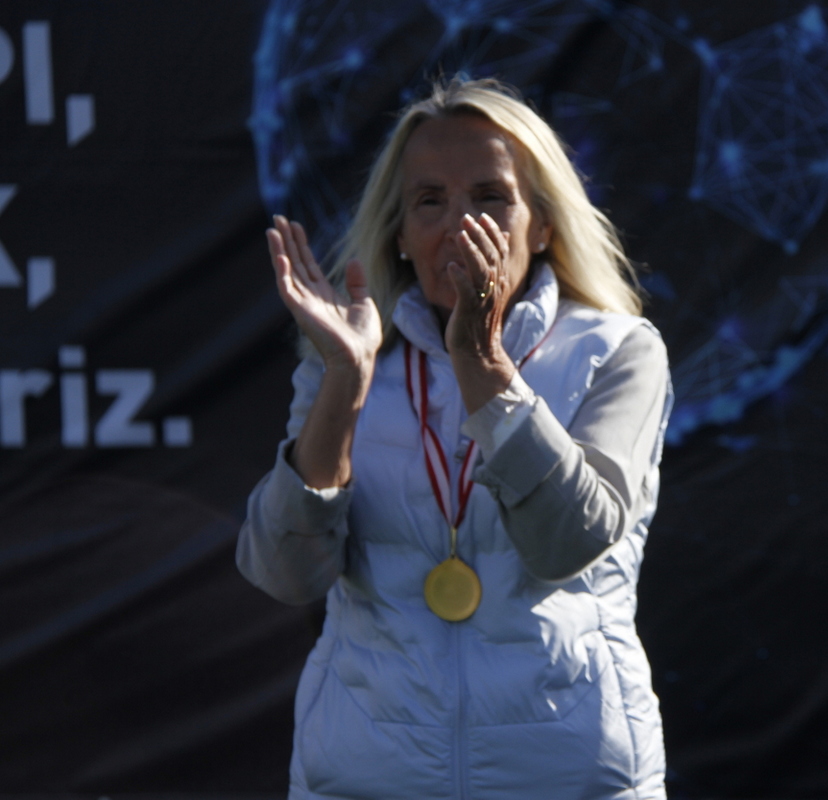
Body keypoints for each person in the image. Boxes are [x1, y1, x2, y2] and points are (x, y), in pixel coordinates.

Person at [237, 77, 672, 799]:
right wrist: (344, 381)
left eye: (491, 197)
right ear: (400, 237)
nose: (460, 223)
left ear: (543, 226)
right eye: (430, 201)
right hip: (368, 778)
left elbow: (568, 541)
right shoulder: (343, 362)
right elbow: (285, 575)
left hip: (566, 780)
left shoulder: (619, 352)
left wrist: (481, 360)